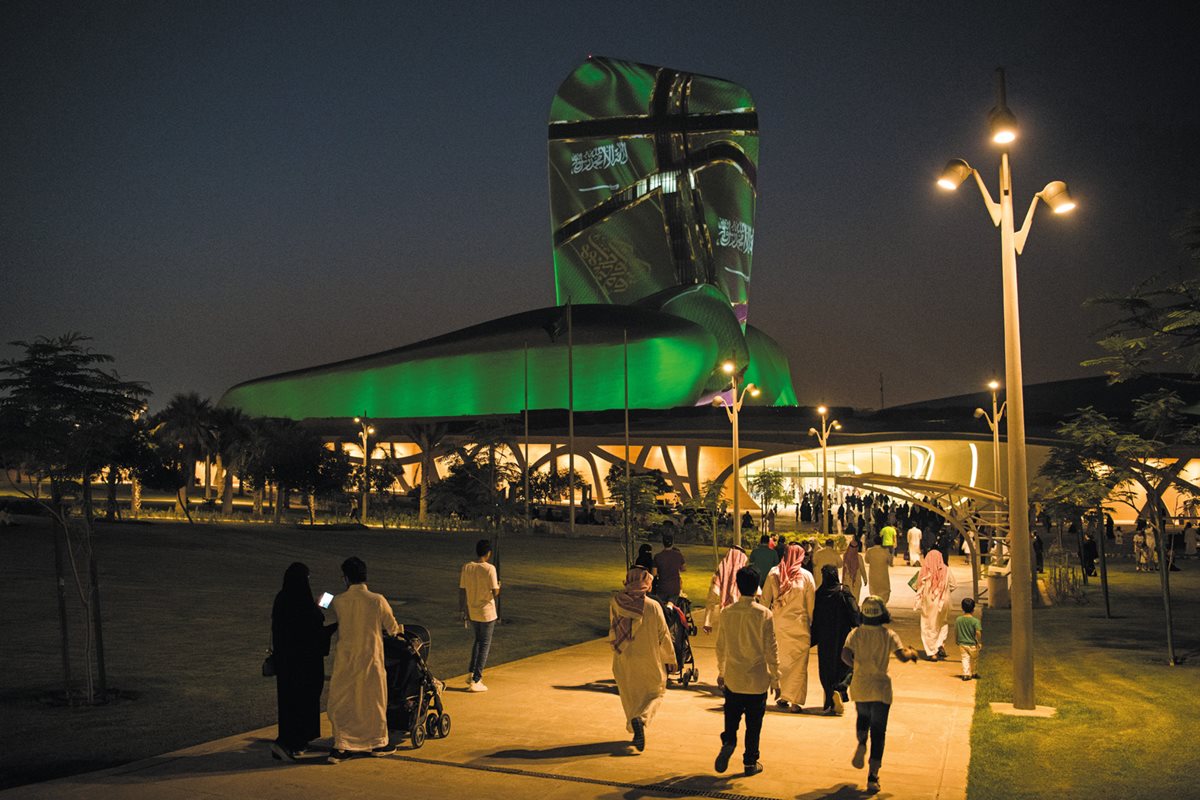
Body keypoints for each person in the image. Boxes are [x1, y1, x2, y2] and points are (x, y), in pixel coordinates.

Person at [327, 556, 402, 762]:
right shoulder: (377, 600)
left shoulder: (338, 600)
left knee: (344, 701)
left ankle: (342, 744)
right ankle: (377, 742)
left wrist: (326, 597)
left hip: (346, 659)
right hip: (371, 659)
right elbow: (392, 628)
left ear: (346, 578)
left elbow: (321, 605)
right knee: (373, 702)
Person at [841, 595, 919, 794]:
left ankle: (860, 743)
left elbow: (845, 655)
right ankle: (873, 777)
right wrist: (912, 653)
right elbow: (902, 656)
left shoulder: (856, 634)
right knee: (878, 732)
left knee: (863, 717)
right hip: (881, 688)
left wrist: (857, 666)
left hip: (860, 684)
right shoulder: (889, 634)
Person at [714, 566, 779, 778]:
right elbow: (771, 649)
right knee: (754, 724)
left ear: (738, 586)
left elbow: (721, 645)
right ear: (757, 587)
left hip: (733, 675)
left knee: (731, 716)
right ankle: (750, 762)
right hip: (757, 678)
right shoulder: (764, 614)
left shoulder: (726, 613)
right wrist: (776, 680)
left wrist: (721, 671)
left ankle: (729, 740)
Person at [270, 562, 335, 761]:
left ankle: (292, 741)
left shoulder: (283, 598)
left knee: (289, 703)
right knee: (303, 702)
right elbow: (314, 631)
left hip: (286, 663)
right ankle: (292, 743)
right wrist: (334, 625)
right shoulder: (304, 604)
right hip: (305, 664)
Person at [609, 566, 677, 752]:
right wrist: (670, 659)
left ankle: (635, 725)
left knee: (630, 696)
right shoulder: (653, 606)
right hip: (649, 658)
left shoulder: (616, 603)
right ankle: (642, 719)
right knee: (657, 692)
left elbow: (613, 630)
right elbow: (663, 635)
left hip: (624, 658)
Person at [761, 543, 815, 712]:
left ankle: (785, 695)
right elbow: (811, 604)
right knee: (798, 665)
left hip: (779, 625)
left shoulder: (774, 573)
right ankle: (795, 701)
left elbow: (764, 600)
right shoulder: (806, 576)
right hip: (799, 626)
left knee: (781, 661)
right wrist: (811, 623)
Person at [810, 564, 859, 715]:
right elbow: (854, 612)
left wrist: (813, 637)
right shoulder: (844, 591)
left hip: (825, 639)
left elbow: (815, 618)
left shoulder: (819, 593)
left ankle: (829, 702)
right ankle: (840, 688)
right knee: (847, 666)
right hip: (842, 636)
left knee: (826, 669)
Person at [459, 538, 501, 692]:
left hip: (473, 610)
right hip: (487, 612)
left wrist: (462, 609)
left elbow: (462, 589)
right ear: (488, 553)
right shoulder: (490, 569)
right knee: (484, 645)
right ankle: (477, 679)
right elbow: (495, 591)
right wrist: (499, 587)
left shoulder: (467, 567)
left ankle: (471, 673)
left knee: (477, 641)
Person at [913, 549, 957, 660]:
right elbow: (953, 585)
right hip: (944, 602)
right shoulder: (946, 570)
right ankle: (940, 644)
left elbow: (917, 587)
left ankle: (932, 652)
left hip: (929, 603)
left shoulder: (923, 571)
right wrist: (945, 591)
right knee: (943, 623)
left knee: (928, 626)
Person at [703, 545, 749, 634]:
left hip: (725, 615)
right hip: (742, 617)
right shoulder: (747, 575)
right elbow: (757, 594)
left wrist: (707, 622)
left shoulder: (720, 573)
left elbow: (711, 598)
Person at [955, 597, 982, 680]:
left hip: (962, 643)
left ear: (962, 608)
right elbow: (978, 632)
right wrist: (979, 642)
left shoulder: (958, 620)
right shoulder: (975, 621)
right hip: (972, 644)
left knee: (965, 658)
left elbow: (956, 631)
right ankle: (974, 672)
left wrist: (957, 639)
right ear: (973, 609)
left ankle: (966, 674)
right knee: (974, 659)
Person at [653, 534, 686, 600]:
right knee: (673, 601)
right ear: (672, 543)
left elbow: (654, 573)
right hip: (675, 587)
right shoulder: (678, 555)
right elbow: (683, 568)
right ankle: (670, 606)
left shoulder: (658, 556)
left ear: (663, 543)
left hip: (662, 586)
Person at [865, 535, 892, 605]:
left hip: (873, 574)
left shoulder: (869, 551)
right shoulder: (886, 551)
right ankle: (883, 605)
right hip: (883, 575)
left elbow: (866, 561)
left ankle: (875, 604)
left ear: (874, 542)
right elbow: (890, 561)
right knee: (884, 590)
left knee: (874, 590)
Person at [843, 532, 867, 602]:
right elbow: (862, 569)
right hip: (856, 580)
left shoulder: (845, 556)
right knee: (856, 598)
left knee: (848, 599)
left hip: (847, 580)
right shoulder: (859, 557)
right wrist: (865, 579)